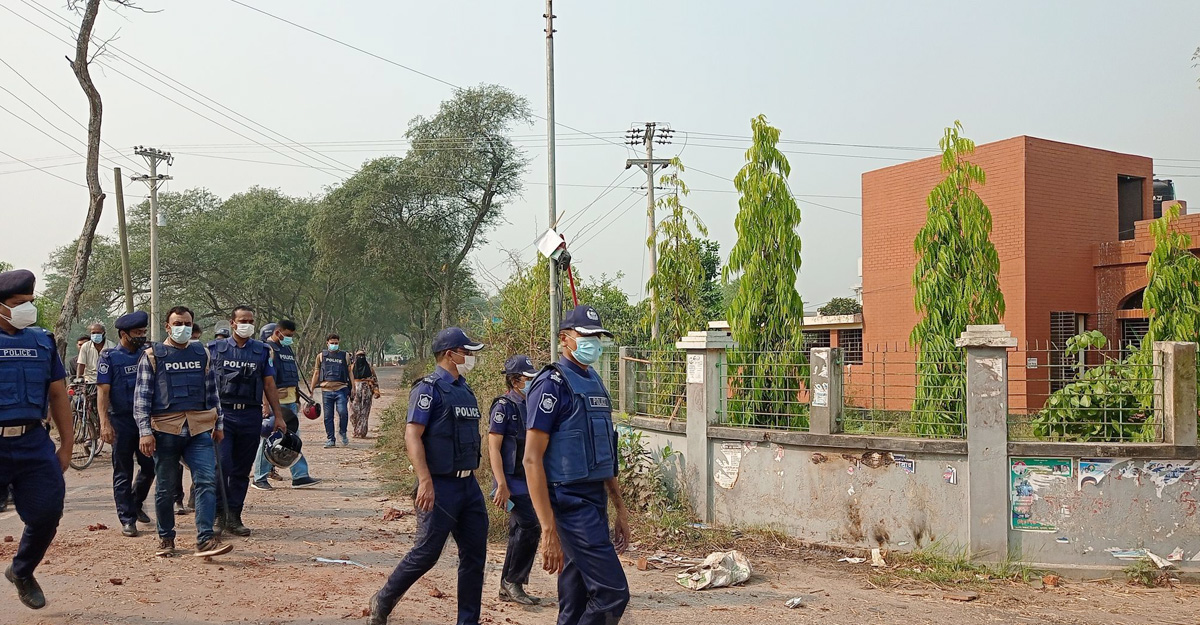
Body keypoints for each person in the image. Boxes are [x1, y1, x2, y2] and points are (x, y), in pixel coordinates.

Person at [368, 327, 487, 625]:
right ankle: (383, 599)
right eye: (467, 352)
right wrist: (425, 481)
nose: (470, 357)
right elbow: (413, 435)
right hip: (439, 485)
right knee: (427, 553)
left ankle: (468, 621)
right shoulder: (429, 389)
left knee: (474, 556)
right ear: (450, 354)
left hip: (468, 486)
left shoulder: (465, 389)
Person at [524, 304, 631, 625]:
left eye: (598, 336)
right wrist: (548, 529)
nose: (594, 342)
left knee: (575, 598)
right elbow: (531, 459)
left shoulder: (594, 381)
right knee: (613, 593)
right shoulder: (551, 385)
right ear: (565, 338)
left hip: (594, 499)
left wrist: (619, 508)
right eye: (586, 336)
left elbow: (605, 453)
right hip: (568, 502)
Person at [134, 305, 232, 558]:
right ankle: (166, 537)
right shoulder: (152, 355)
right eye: (177, 324)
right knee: (165, 488)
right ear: (167, 327)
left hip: (200, 428)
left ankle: (205, 539)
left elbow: (213, 393)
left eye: (187, 323)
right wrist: (145, 432)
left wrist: (218, 424)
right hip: (165, 430)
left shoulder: (203, 352)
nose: (183, 328)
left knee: (206, 481)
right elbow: (142, 398)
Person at [0, 269, 72, 610]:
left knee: (48, 512)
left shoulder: (42, 341)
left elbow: (59, 395)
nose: (26, 309)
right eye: (17, 303)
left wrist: (67, 445)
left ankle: (22, 570)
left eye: (29, 302)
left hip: (33, 443)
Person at [208, 306, 285, 536]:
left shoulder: (262, 351)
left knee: (242, 470)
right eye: (242, 320)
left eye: (250, 320)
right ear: (232, 323)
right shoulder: (214, 349)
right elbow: (205, 383)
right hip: (223, 416)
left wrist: (278, 416)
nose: (247, 324)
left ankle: (234, 516)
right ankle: (217, 516)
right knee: (221, 466)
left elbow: (270, 384)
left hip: (250, 415)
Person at [487, 355, 541, 605]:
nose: (531, 380)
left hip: (527, 479)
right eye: (527, 377)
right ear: (515, 380)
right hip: (510, 482)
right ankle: (513, 581)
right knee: (531, 525)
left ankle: (507, 584)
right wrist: (501, 485)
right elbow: (493, 448)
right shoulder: (504, 407)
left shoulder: (531, 404)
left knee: (519, 529)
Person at [96, 311, 155, 537]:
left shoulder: (148, 353)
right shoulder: (110, 357)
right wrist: (104, 423)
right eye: (137, 333)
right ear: (124, 334)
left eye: (143, 332)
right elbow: (103, 392)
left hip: (145, 421)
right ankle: (127, 519)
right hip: (121, 421)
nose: (141, 336)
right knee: (123, 471)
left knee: (150, 467)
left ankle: (136, 501)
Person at [251, 321, 320, 491]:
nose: (290, 338)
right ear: (278, 332)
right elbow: (264, 380)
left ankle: (300, 476)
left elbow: (292, 377)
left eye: (291, 335)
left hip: (290, 401)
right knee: (269, 438)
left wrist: (298, 399)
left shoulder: (286, 349)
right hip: (276, 402)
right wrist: (266, 405)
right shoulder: (268, 349)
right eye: (287, 335)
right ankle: (259, 477)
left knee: (292, 439)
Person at [310, 333, 356, 448]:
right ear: (327, 343)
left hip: (341, 389)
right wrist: (311, 389)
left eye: (336, 343)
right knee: (328, 416)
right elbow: (316, 373)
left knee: (343, 412)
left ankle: (343, 432)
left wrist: (353, 387)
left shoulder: (345, 356)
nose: (334, 345)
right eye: (332, 343)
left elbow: (350, 372)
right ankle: (330, 439)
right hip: (326, 390)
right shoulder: (321, 356)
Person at [349, 350, 380, 439]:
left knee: (364, 412)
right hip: (354, 392)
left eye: (362, 356)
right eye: (359, 356)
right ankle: (356, 429)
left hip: (366, 392)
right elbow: (347, 381)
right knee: (353, 412)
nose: (361, 358)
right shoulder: (351, 368)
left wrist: (376, 391)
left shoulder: (370, 369)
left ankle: (361, 432)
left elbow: (374, 381)